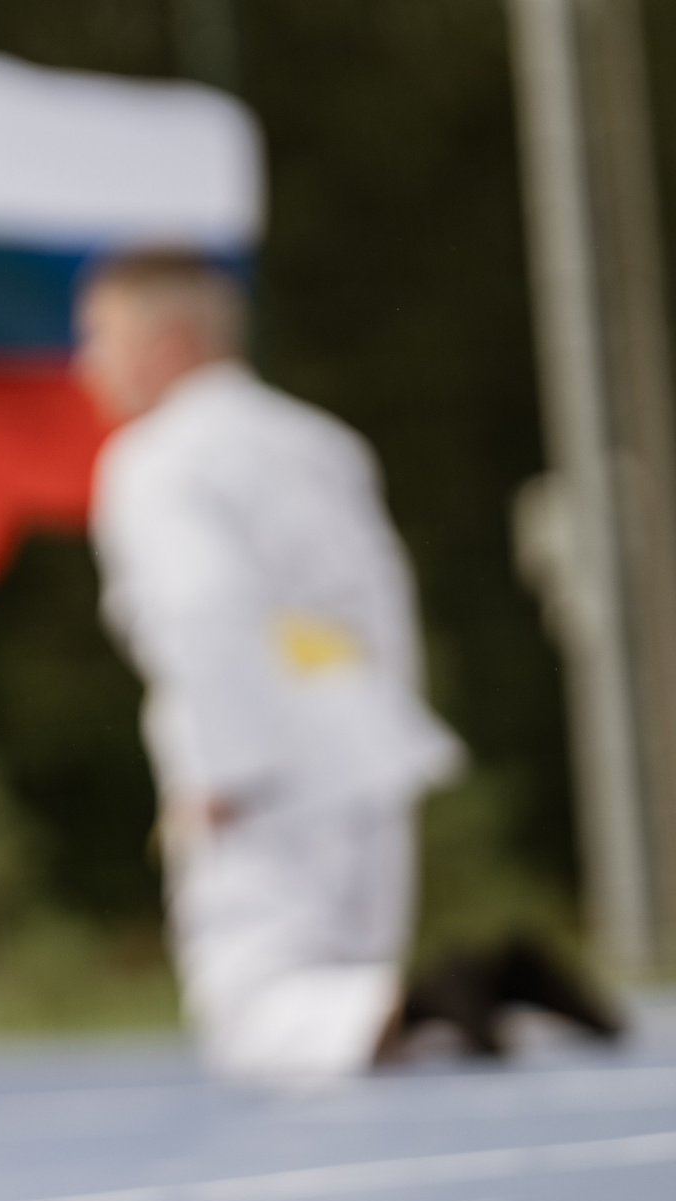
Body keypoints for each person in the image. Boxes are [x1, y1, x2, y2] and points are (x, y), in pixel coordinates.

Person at [76, 249, 617, 1079]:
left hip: (260, 756)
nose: (87, 363)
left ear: (169, 342)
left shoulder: (154, 459)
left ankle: (446, 994)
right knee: (351, 988)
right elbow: (380, 601)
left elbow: (202, 607)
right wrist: (383, 720)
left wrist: (218, 769)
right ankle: (495, 985)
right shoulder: (318, 441)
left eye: (100, 336)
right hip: (363, 734)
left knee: (251, 1014)